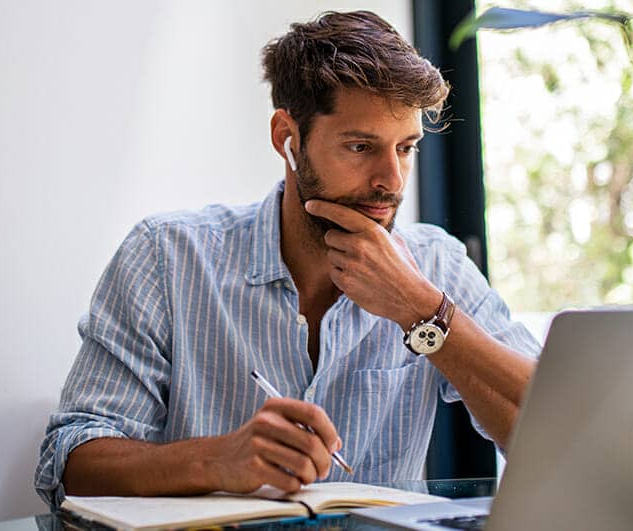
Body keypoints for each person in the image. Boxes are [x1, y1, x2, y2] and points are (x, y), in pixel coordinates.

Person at [35, 10, 539, 509]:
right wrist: (217, 461)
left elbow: (553, 430)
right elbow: (69, 464)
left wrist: (421, 309)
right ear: (287, 138)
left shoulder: (436, 266)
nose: (393, 180)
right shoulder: (167, 257)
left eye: (406, 148)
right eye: (361, 146)